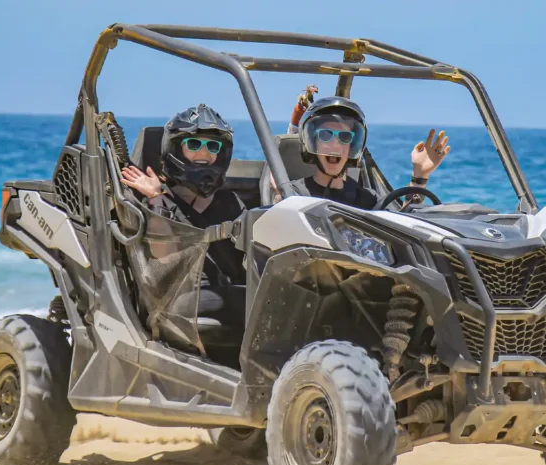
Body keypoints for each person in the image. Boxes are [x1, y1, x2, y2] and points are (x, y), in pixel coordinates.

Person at [119, 103, 245, 325]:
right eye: (194, 144)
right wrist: (156, 198)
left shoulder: (230, 203)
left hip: (228, 292)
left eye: (212, 146)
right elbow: (163, 255)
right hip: (179, 300)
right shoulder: (159, 201)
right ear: (176, 149)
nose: (204, 152)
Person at [275, 96, 451, 209]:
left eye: (344, 137)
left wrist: (420, 176)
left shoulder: (367, 199)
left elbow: (404, 226)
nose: (335, 143)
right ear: (313, 143)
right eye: (326, 135)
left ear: (352, 146)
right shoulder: (293, 195)